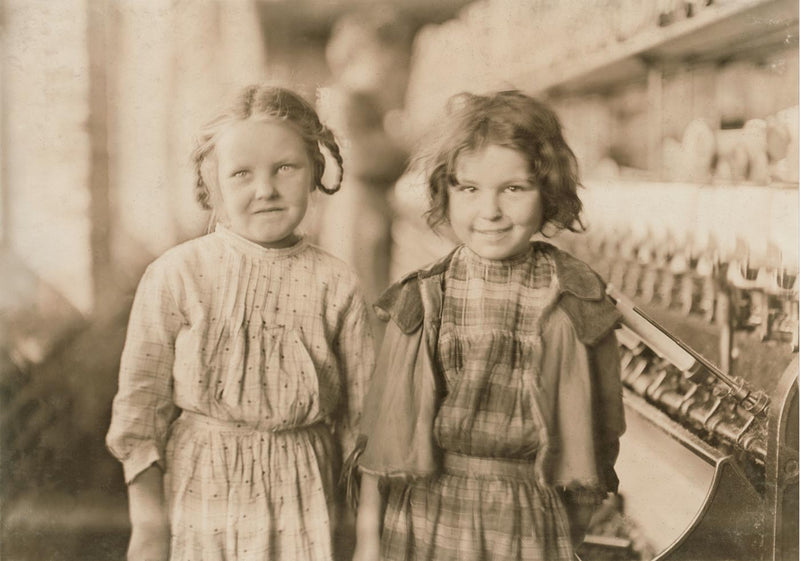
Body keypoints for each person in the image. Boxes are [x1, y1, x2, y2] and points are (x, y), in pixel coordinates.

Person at [350, 90, 625, 561]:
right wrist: (369, 546)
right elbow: (384, 441)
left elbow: (601, 437)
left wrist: (567, 529)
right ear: (444, 191)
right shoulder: (421, 297)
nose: (490, 211)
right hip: (429, 514)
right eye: (469, 188)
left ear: (548, 191)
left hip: (530, 516)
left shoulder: (577, 298)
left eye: (514, 189)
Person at [106, 85, 375, 561]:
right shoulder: (177, 275)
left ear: (315, 170)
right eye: (241, 174)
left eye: (285, 168)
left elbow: (364, 428)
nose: (266, 189)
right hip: (204, 491)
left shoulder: (337, 283)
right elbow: (139, 415)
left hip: (305, 495)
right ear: (211, 187)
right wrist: (149, 530)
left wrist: (368, 539)